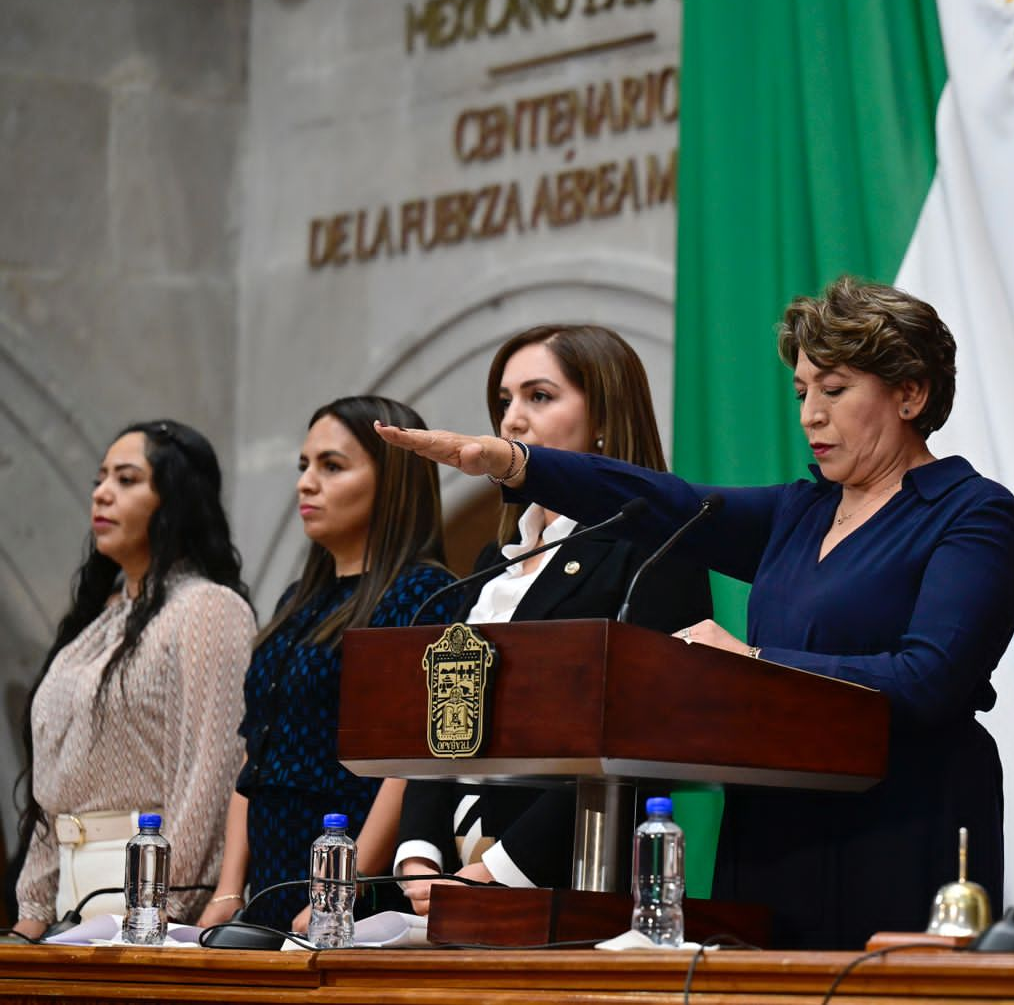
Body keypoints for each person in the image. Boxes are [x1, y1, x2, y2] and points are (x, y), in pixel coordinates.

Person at [377, 277, 1014, 950]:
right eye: (802, 392)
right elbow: (665, 501)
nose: (810, 415)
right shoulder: (798, 514)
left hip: (903, 821)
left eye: (834, 390)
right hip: (777, 825)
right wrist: (519, 463)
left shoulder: (970, 512)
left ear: (910, 393)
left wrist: (752, 663)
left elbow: (932, 678)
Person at [391, 326, 711, 914]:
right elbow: (445, 716)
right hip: (442, 880)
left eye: (538, 397)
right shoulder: (490, 564)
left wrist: (494, 872)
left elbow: (641, 730)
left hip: (575, 879)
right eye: (504, 401)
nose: (511, 420)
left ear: (605, 419)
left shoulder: (654, 548)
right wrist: (418, 856)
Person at [198, 396, 459, 933]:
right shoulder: (298, 597)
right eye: (304, 466)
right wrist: (228, 888)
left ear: (392, 481)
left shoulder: (426, 593)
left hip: (350, 883)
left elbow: (411, 761)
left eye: (331, 466)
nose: (306, 483)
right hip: (270, 878)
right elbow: (256, 753)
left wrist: (343, 888)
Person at [10, 421, 255, 938]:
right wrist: (30, 916)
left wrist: (165, 908)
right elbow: (52, 784)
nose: (101, 493)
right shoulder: (95, 625)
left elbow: (212, 772)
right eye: (100, 479)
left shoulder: (207, 609)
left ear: (174, 500)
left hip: (150, 893)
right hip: (67, 897)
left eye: (126, 480)